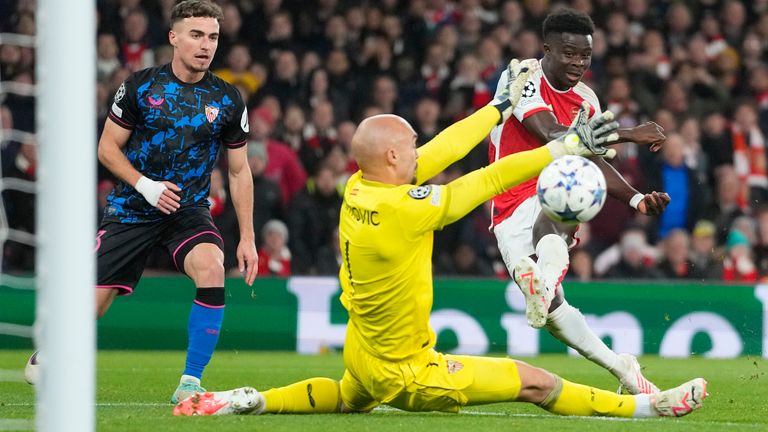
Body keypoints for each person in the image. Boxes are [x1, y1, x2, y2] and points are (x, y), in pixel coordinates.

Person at [173, 60, 705, 419]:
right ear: (390, 159)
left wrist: (496, 109)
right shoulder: (405, 209)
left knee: (345, 396)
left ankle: (253, 401)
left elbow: (442, 151)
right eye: (409, 146)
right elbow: (487, 180)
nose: (417, 150)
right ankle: (646, 408)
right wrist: (561, 148)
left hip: (363, 352)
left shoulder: (361, 187)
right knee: (536, 383)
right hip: (409, 372)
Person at [25, 0, 258, 404]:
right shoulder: (139, 86)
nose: (206, 45)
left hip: (187, 210)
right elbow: (107, 148)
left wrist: (248, 237)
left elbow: (238, 171)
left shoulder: (227, 99)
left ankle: (190, 381)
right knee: (90, 307)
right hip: (132, 209)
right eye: (197, 35)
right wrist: (145, 185)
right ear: (174, 37)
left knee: (211, 265)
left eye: (213, 37)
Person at [488, 8, 670, 394]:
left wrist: (636, 199)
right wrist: (630, 133)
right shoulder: (521, 76)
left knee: (572, 184)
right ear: (547, 49)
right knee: (554, 313)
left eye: (585, 55)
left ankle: (544, 274)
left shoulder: (586, 99)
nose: (578, 63)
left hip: (555, 191)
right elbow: (551, 134)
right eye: (569, 53)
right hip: (508, 197)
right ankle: (621, 366)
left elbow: (590, 158)